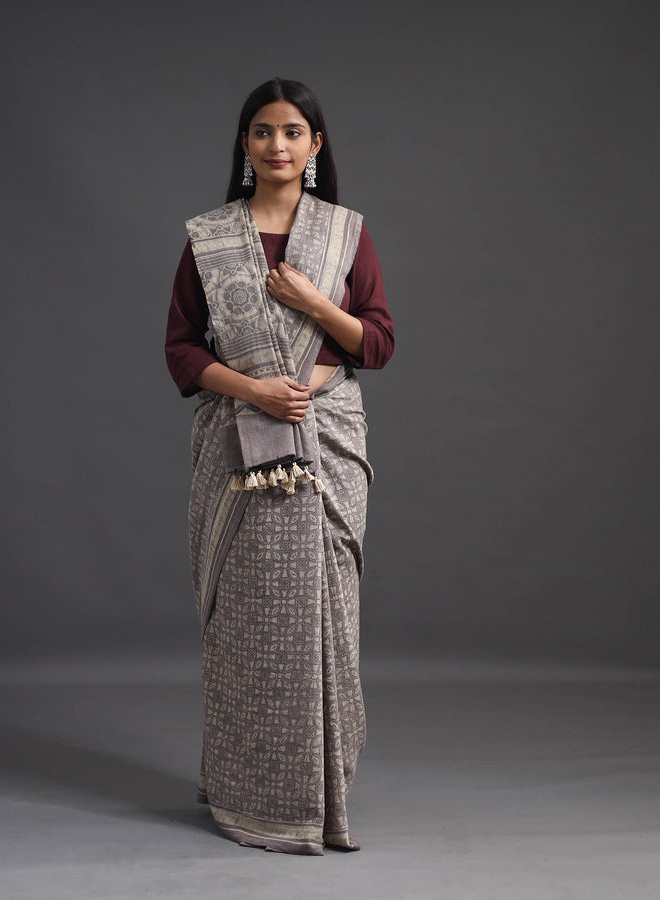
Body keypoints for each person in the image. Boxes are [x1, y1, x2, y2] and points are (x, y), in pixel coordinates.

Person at [165, 77, 394, 855]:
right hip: (239, 443)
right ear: (245, 143)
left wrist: (313, 302)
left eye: (293, 131)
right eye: (262, 131)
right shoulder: (210, 239)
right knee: (246, 625)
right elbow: (181, 349)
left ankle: (321, 799)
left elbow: (378, 343)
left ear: (315, 145)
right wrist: (255, 390)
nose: (277, 145)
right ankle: (247, 795)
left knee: (327, 621)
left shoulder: (344, 235)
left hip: (327, 446)